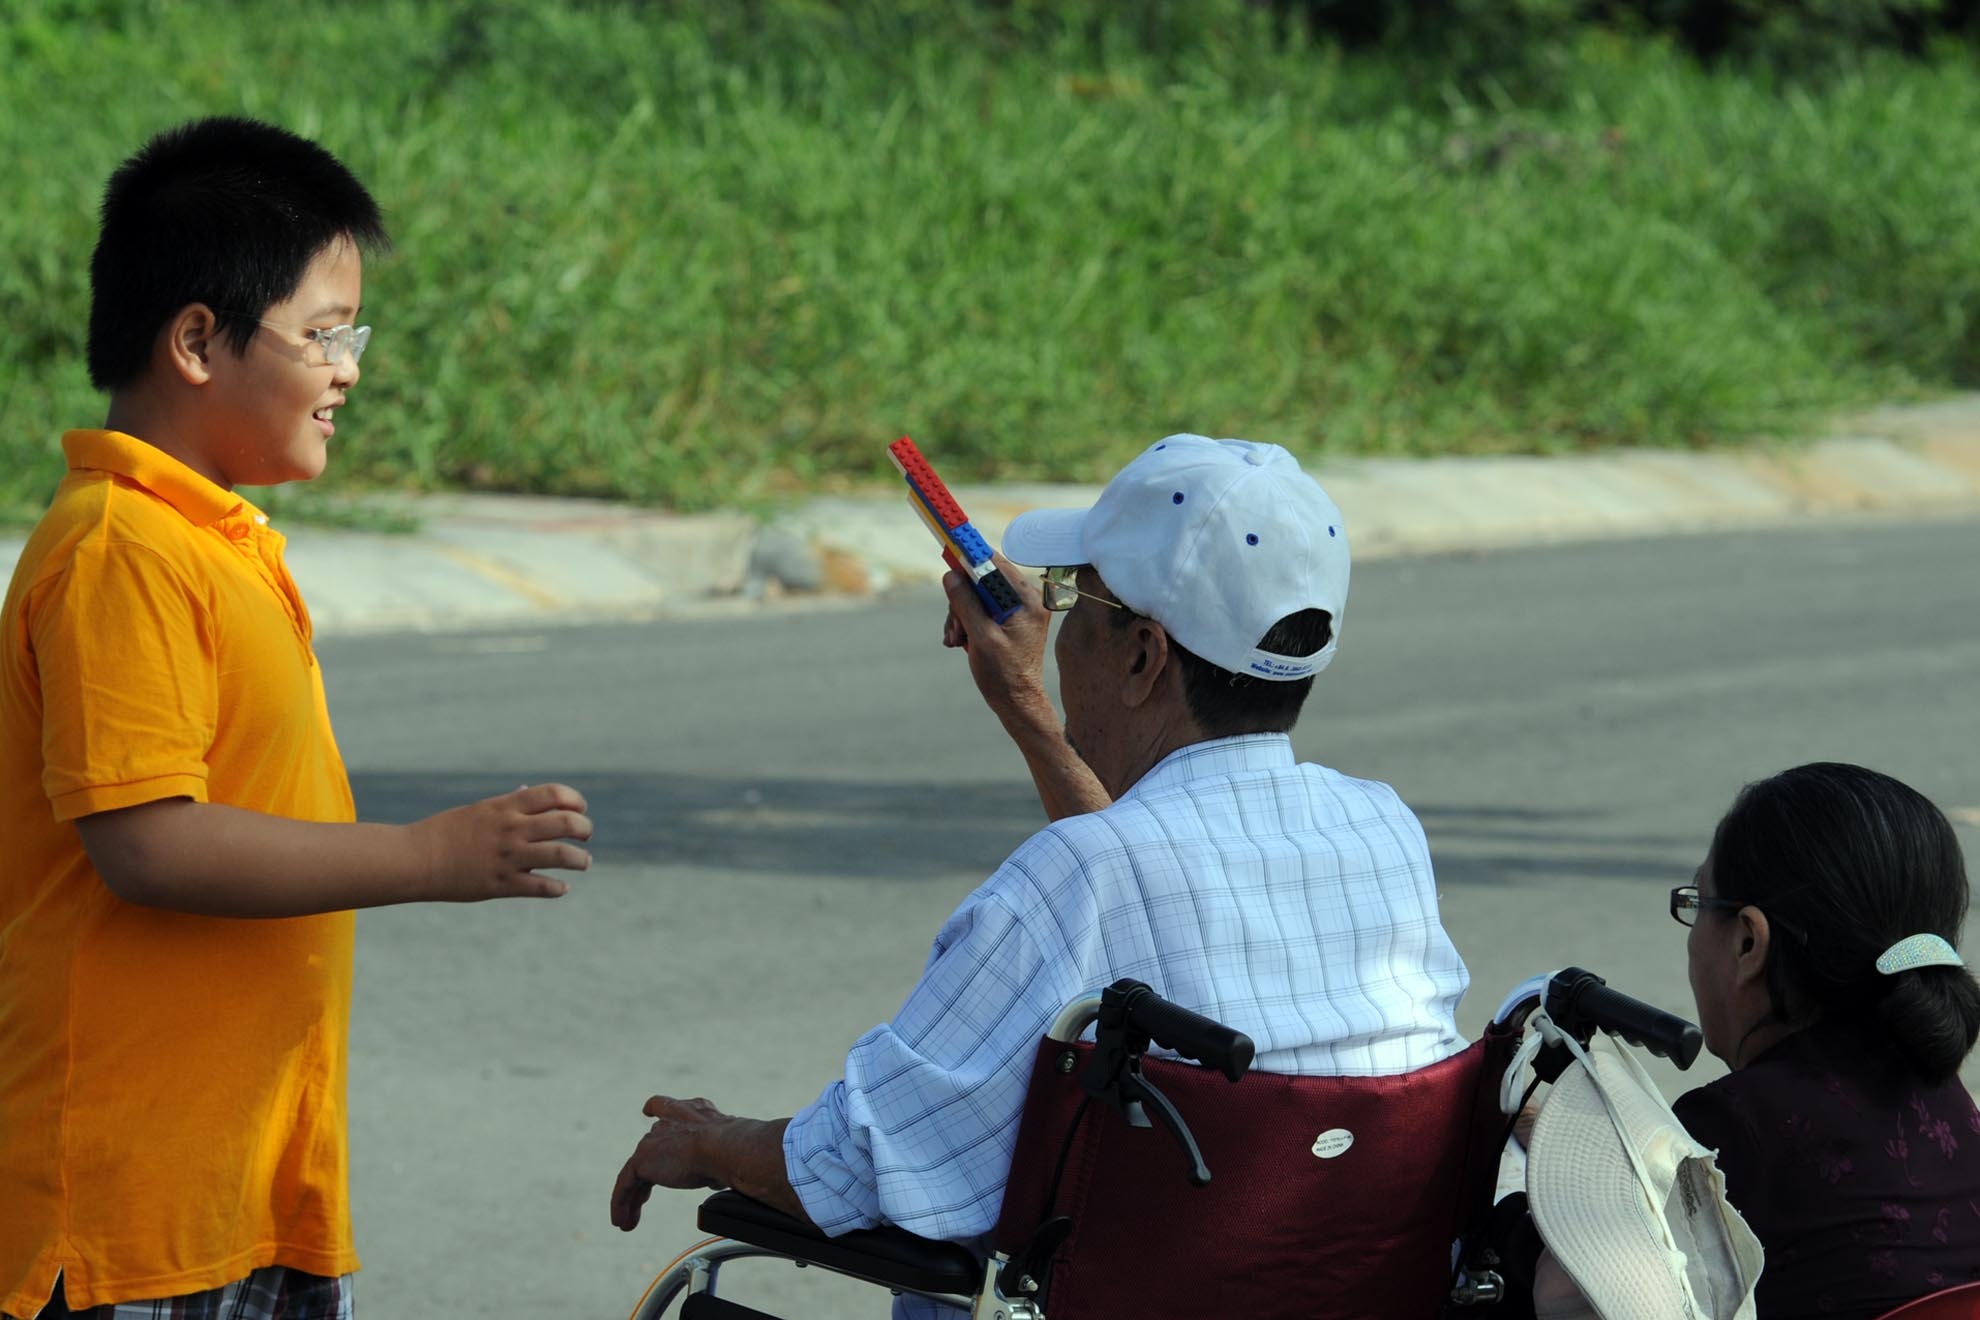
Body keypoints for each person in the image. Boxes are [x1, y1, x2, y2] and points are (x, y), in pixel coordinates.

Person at [609, 434, 1471, 1315]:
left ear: (1142, 655)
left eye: (1072, 602)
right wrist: (1027, 708)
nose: (1057, 637)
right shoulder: (1380, 829)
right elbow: (1154, 888)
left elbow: (858, 1163)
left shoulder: (1073, 880)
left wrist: (711, 1145)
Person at [0, 117, 594, 1320]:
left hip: (244, 1188)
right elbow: (148, 841)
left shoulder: (214, 540)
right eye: (325, 334)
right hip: (131, 1217)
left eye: (351, 334)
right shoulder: (123, 550)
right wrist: (429, 856)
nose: (351, 369)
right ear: (197, 341)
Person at [1666, 761, 1980, 1318]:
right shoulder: (1953, 1109)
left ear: (1748, 942)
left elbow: (1584, 1287)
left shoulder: (1726, 1133)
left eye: (1697, 903)